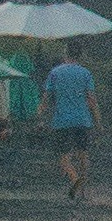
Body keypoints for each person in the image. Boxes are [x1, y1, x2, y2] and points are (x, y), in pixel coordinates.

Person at [37, 47, 99, 202]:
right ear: (81, 56)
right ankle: (83, 189)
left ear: (65, 55)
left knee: (64, 158)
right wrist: (98, 121)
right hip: (83, 120)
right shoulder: (85, 73)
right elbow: (92, 100)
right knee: (83, 154)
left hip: (62, 121)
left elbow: (46, 98)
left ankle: (74, 178)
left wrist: (38, 116)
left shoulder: (55, 73)